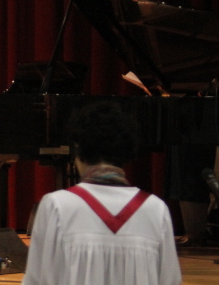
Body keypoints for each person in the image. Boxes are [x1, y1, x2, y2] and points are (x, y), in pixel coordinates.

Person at [23, 101, 181, 285]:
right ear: (128, 152)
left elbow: (37, 279)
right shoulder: (155, 209)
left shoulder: (56, 206)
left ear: (77, 149)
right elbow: (170, 280)